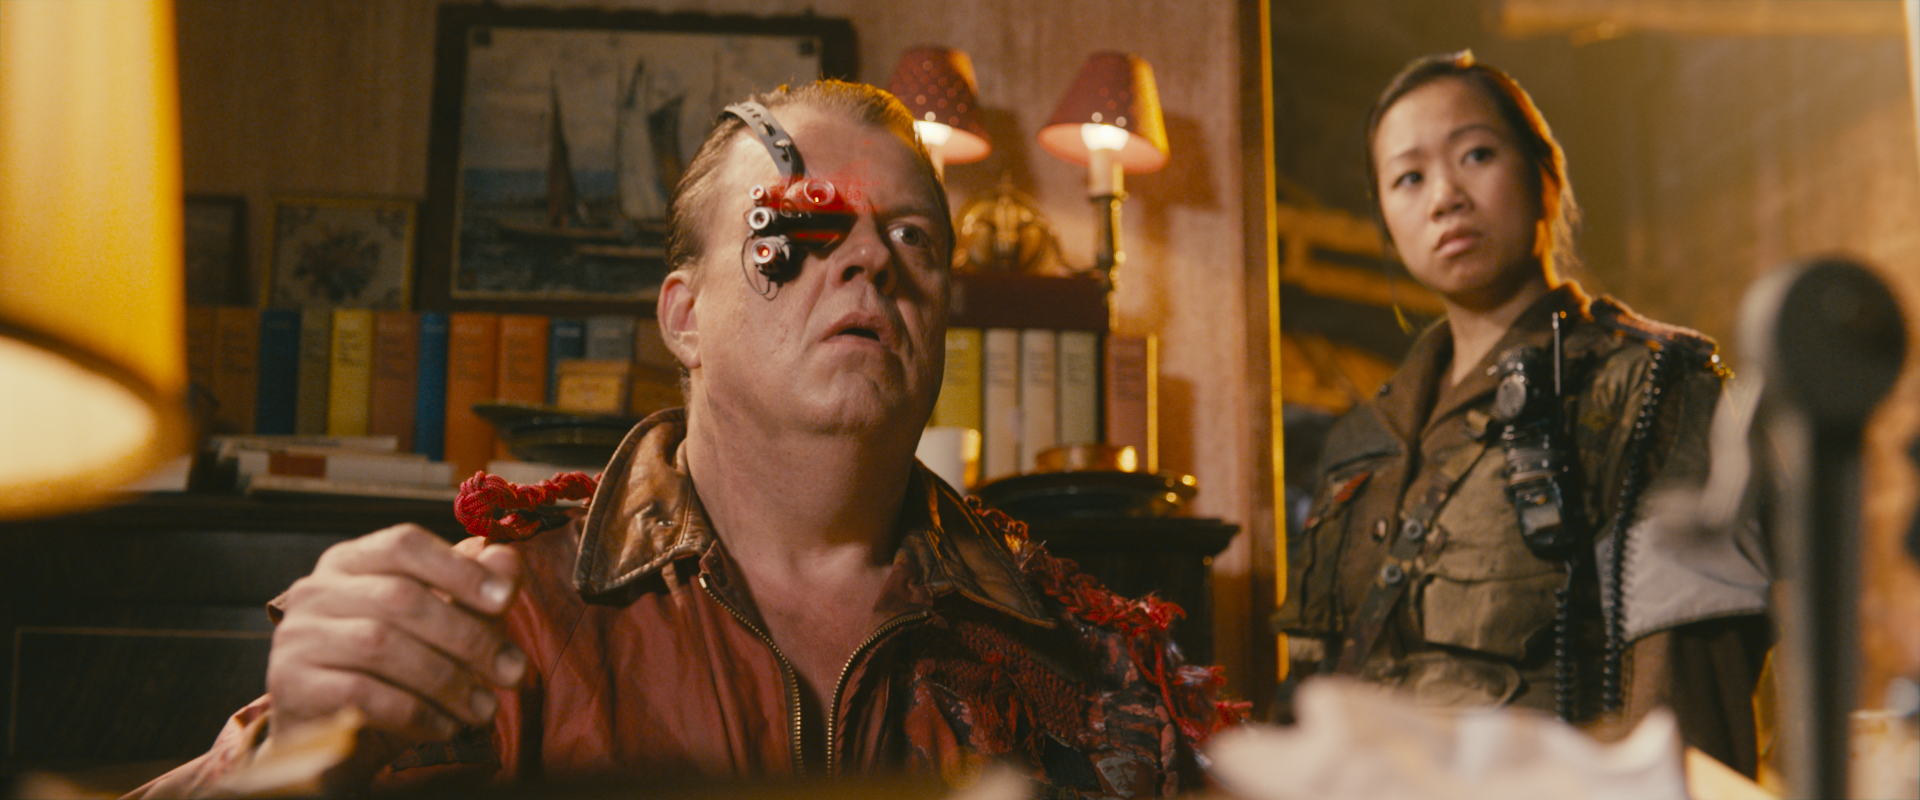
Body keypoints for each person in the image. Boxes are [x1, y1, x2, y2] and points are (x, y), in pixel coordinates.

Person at [134, 81, 1238, 798]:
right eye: (799, 226)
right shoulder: (494, 621)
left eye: (912, 236)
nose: (870, 260)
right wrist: (289, 762)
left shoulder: (1087, 661)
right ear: (684, 315)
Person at [1273, 52, 1772, 774]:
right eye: (1409, 178)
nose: (1445, 196)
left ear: (1546, 177)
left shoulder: (1649, 387)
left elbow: (1684, 708)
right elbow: (1311, 694)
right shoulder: (1362, 440)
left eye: (1476, 154)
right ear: (1386, 221)